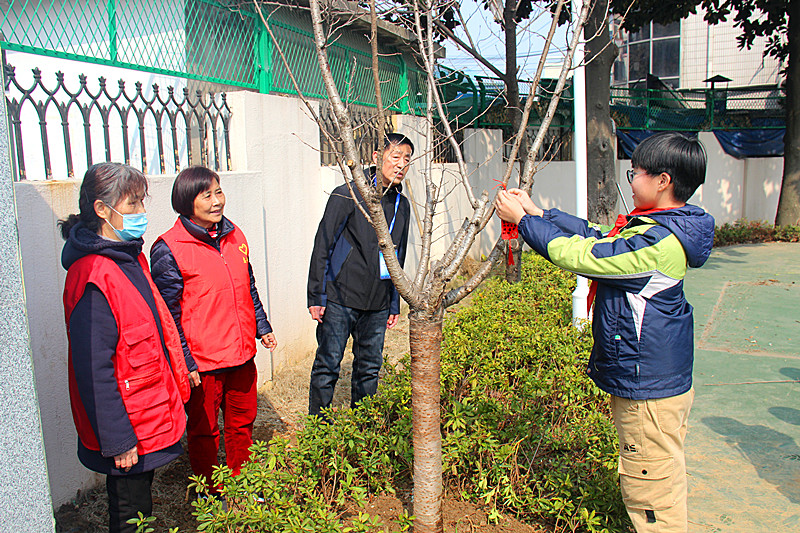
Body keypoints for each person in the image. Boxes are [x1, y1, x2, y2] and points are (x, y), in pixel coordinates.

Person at [495, 132, 715, 533]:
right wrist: (540, 215)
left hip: (648, 387)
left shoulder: (659, 242)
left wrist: (523, 223)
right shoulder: (660, 228)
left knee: (651, 493)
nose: (630, 180)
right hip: (656, 380)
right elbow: (602, 238)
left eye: (635, 173)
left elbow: (586, 256)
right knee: (660, 476)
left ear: (662, 181)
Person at [60, 163, 191, 533]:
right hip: (128, 421)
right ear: (103, 209)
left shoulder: (128, 257)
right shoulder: (93, 275)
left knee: (141, 504)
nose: (141, 214)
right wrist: (117, 438)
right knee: (130, 512)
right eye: (132, 204)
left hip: (145, 408)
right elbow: (93, 367)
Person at [150, 166, 276, 492]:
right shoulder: (169, 248)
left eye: (218, 192)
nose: (217, 201)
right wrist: (186, 362)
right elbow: (168, 316)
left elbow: (247, 287)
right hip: (203, 363)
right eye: (206, 195)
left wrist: (261, 326)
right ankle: (209, 493)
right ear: (186, 201)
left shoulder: (235, 236)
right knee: (205, 432)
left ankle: (241, 484)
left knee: (242, 424)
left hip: (240, 354)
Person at [307, 133, 414, 417]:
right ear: (378, 157)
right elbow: (323, 243)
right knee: (328, 364)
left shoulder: (402, 205)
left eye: (407, 159)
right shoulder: (348, 193)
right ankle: (318, 432)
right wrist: (317, 294)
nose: (401, 164)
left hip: (377, 303)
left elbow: (397, 257)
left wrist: (393, 302)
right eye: (395, 156)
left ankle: (363, 428)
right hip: (341, 296)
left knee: (369, 368)